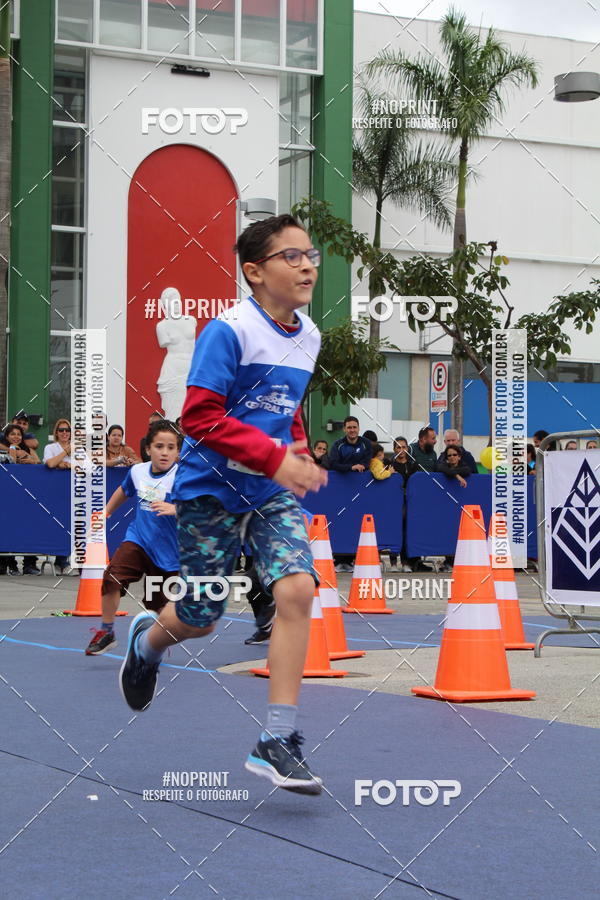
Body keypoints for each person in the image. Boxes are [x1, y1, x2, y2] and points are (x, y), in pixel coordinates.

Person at [117, 213, 327, 795]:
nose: (307, 265)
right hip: (210, 490)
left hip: (269, 492)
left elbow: (287, 410)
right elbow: (200, 417)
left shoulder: (309, 335)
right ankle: (147, 644)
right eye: (291, 256)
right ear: (255, 272)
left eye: (311, 255)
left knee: (297, 590)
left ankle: (277, 739)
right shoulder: (228, 331)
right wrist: (274, 457)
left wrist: (297, 454)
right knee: (201, 616)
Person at [85, 420, 181, 655]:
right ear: (148, 449)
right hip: (138, 539)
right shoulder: (138, 471)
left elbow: (202, 508)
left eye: (171, 447)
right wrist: (106, 512)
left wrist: (175, 509)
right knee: (112, 577)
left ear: (178, 452)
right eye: (159, 446)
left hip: (169, 552)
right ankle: (107, 631)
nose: (165, 452)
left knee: (157, 605)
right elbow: (124, 490)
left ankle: (154, 642)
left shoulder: (183, 477)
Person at [43, 420, 73, 573]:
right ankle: (61, 560)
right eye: (61, 430)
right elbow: (50, 464)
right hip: (54, 491)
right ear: (56, 432)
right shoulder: (50, 447)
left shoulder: (78, 448)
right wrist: (66, 453)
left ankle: (62, 560)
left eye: (67, 430)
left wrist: (64, 464)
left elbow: (82, 466)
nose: (64, 433)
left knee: (70, 523)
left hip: (73, 491)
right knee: (58, 523)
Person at [436, 444, 472, 572]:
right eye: (449, 455)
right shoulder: (443, 466)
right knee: (448, 530)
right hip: (445, 506)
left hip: (461, 506)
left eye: (454, 455)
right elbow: (442, 468)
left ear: (459, 456)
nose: (452, 457)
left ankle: (459, 560)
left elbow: (467, 471)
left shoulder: (465, 466)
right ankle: (448, 560)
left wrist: (456, 474)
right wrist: (457, 476)